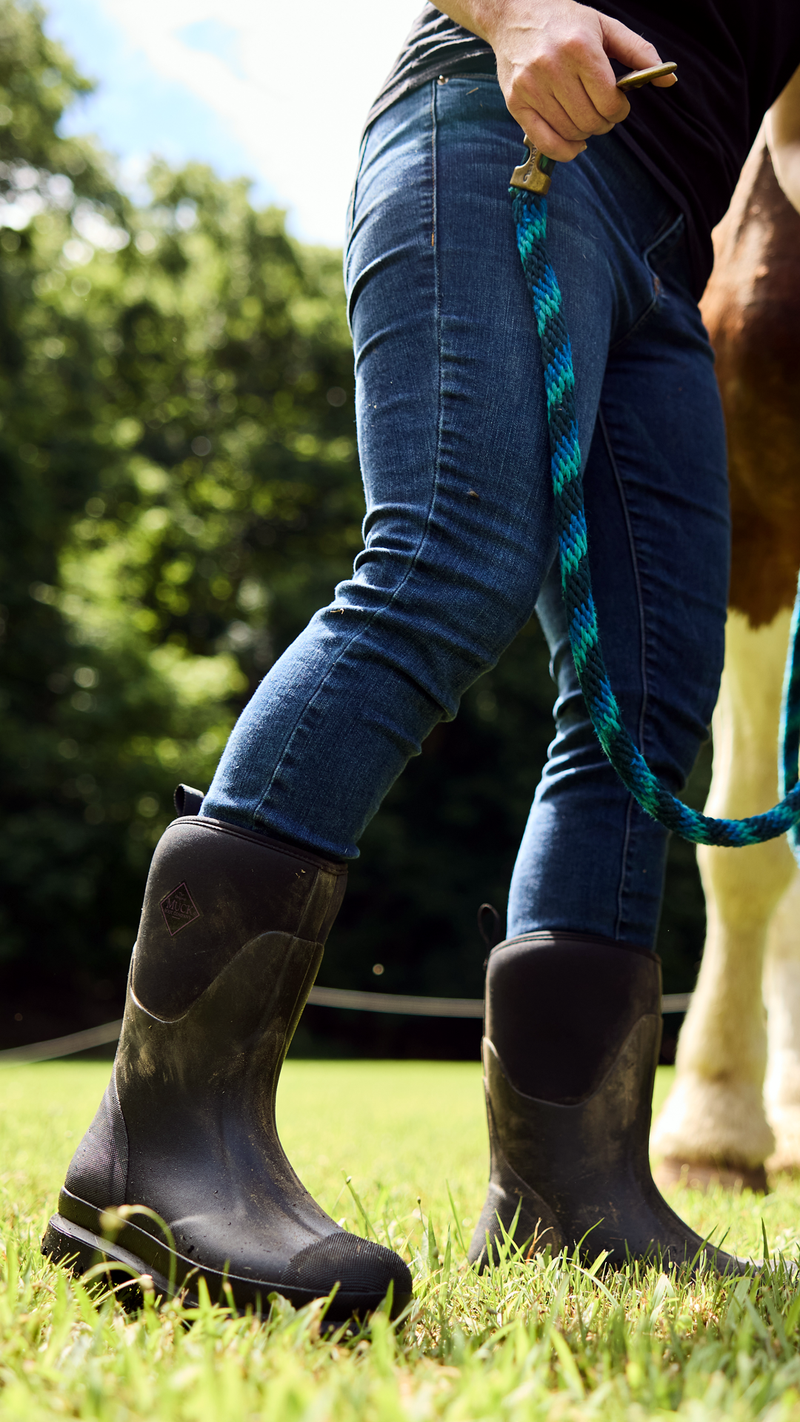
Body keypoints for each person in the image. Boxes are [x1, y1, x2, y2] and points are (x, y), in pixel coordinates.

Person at [44, 1, 800, 1312]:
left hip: (670, 252)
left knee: (645, 692)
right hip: (500, 138)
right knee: (449, 565)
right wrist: (513, 14)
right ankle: (155, 1158)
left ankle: (576, 1193)